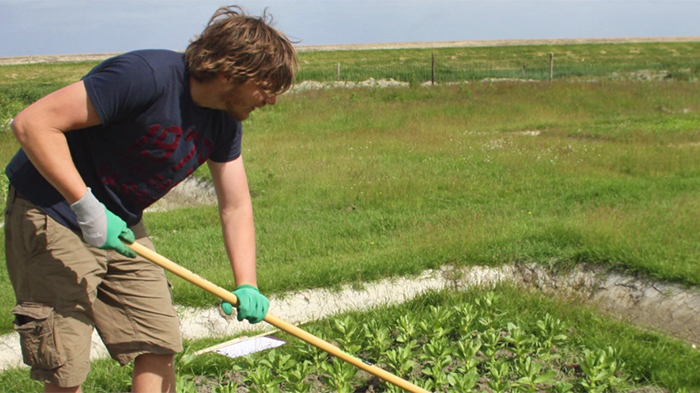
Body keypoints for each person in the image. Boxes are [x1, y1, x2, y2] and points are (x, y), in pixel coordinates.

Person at [4, 5, 297, 393]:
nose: (270, 100)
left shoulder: (224, 120)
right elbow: (33, 124)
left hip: (118, 220)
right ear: (230, 73)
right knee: (65, 360)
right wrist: (86, 206)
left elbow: (235, 204)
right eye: (265, 86)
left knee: (158, 338)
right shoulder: (144, 76)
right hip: (53, 209)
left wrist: (247, 283)